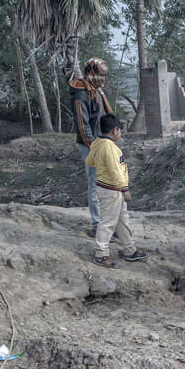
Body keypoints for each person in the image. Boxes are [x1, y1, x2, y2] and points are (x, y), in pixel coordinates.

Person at [87, 114, 147, 268]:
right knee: (107, 223)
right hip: (112, 190)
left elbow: (89, 161)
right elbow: (115, 171)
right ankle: (101, 253)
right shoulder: (110, 148)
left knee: (122, 220)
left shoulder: (98, 143)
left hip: (107, 188)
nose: (120, 133)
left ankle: (129, 249)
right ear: (114, 131)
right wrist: (125, 189)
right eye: (120, 130)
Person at [70, 57, 114, 235]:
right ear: (91, 73)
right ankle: (97, 225)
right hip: (91, 146)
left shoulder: (96, 91)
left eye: (105, 75)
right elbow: (82, 125)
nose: (103, 79)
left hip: (102, 144)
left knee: (107, 184)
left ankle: (107, 223)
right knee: (96, 184)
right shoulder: (81, 94)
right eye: (101, 75)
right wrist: (95, 147)